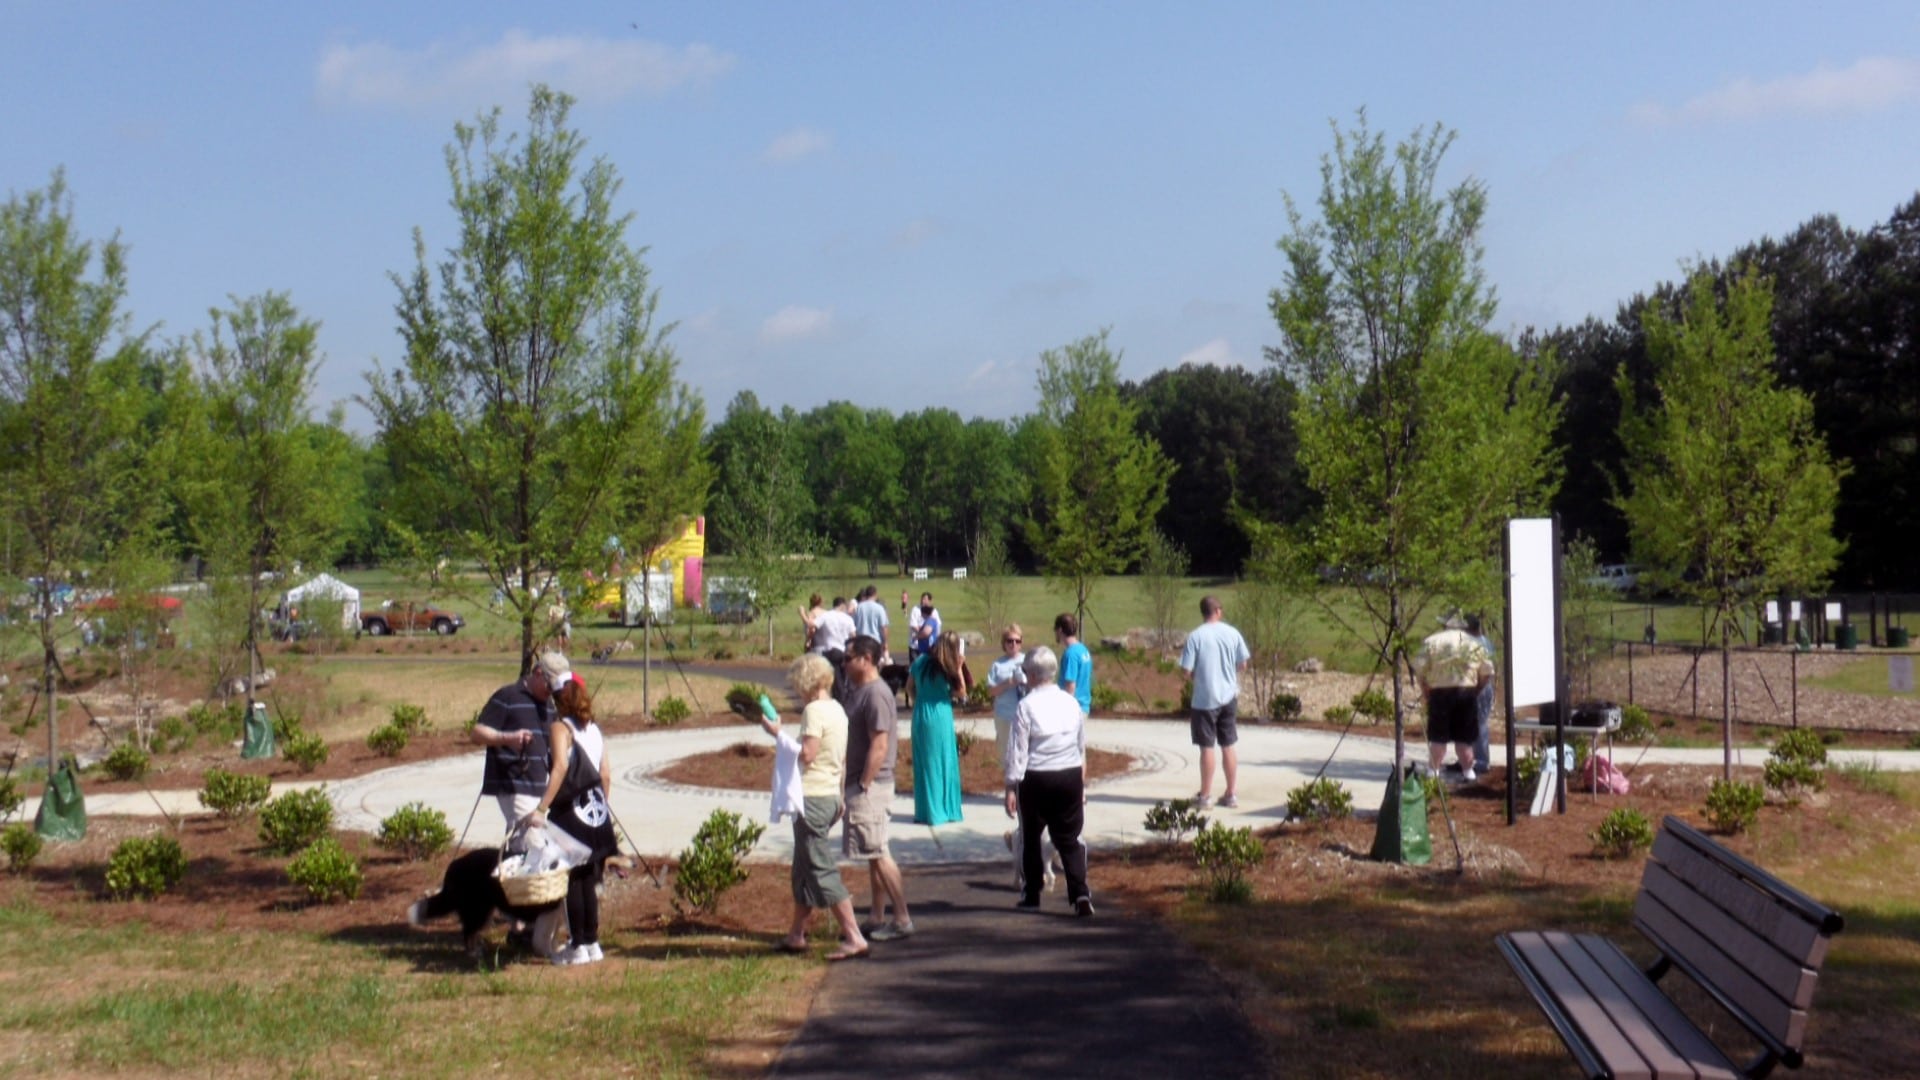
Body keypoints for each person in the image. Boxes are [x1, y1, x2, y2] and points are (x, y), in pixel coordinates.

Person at [753, 654, 869, 961]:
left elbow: (807, 755)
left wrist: (777, 733)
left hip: (813, 798)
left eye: (797, 684)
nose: (796, 690)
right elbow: (840, 759)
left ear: (807, 682)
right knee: (803, 868)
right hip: (830, 795)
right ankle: (796, 935)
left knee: (819, 867)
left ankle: (854, 935)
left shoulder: (814, 711)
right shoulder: (838, 711)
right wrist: (841, 797)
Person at [527, 673, 616, 965]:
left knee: (573, 879)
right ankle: (592, 942)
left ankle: (577, 944)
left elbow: (560, 767)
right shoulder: (594, 730)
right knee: (589, 877)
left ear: (556, 700)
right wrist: (601, 806)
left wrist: (542, 808)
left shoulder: (560, 728)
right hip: (596, 809)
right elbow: (605, 773)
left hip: (571, 811)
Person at [1005, 646, 1094, 916]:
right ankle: (1080, 893)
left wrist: (1011, 785)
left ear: (1032, 675)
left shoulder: (1026, 705)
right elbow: (1080, 745)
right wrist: (1081, 781)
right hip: (1068, 774)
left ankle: (1032, 891)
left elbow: (1018, 750)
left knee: (1031, 835)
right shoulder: (1071, 703)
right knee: (1069, 837)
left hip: (1037, 776)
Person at [842, 634, 914, 940]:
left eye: (848, 658)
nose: (843, 664)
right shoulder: (859, 691)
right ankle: (876, 914)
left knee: (879, 852)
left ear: (866, 659)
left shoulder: (875, 695)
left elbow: (880, 745)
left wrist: (862, 784)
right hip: (865, 784)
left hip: (871, 787)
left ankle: (902, 918)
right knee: (873, 853)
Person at [471, 651, 567, 838]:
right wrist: (508, 738)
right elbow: (476, 734)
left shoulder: (549, 705)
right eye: (549, 685)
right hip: (515, 782)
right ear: (538, 672)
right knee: (531, 841)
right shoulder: (508, 696)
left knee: (539, 845)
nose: (551, 691)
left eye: (556, 688)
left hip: (541, 784)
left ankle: (508, 863)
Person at [1180, 595, 1251, 810]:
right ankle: (1231, 793)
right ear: (1218, 611)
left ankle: (1206, 795)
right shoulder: (1232, 633)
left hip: (1204, 698)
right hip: (1228, 696)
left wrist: (1196, 677)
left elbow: (1185, 670)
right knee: (1228, 745)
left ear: (1203, 612)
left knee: (1206, 747)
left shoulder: (1195, 637)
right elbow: (1243, 664)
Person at [1415, 613, 1494, 782]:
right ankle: (1468, 773)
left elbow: (1420, 670)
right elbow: (1487, 671)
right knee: (1464, 740)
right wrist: (1476, 689)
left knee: (1438, 738)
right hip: (1466, 692)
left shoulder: (1432, 641)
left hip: (1440, 693)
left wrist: (1426, 690)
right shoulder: (1474, 644)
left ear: (1445, 625)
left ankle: (1433, 772)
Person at [909, 630, 968, 827]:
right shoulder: (948, 667)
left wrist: (921, 698)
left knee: (925, 762)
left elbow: (909, 687)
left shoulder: (920, 662)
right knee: (945, 760)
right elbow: (961, 693)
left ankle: (926, 810)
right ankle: (944, 809)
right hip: (941, 713)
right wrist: (959, 667)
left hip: (921, 712)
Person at [1465, 614, 1498, 774]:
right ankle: (1467, 758)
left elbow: (1487, 672)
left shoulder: (1481, 644)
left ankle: (1482, 761)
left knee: (1480, 724)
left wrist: (1477, 689)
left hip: (1481, 688)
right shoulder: (1478, 642)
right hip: (1472, 686)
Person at [1054, 614, 1093, 716]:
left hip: (1073, 709)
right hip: (1083, 706)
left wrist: (1064, 710)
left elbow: (1070, 685)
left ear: (1060, 630)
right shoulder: (1083, 650)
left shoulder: (1071, 654)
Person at [852, 586, 891, 656]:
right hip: (874, 641)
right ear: (875, 594)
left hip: (861, 640)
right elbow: (884, 627)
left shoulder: (859, 607)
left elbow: (854, 624)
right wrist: (885, 642)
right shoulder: (879, 608)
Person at [907, 592, 941, 659]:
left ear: (930, 600)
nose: (923, 601)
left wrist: (918, 635)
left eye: (925, 599)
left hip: (928, 646)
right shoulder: (915, 609)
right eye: (922, 599)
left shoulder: (933, 613)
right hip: (915, 645)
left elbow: (932, 629)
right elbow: (913, 625)